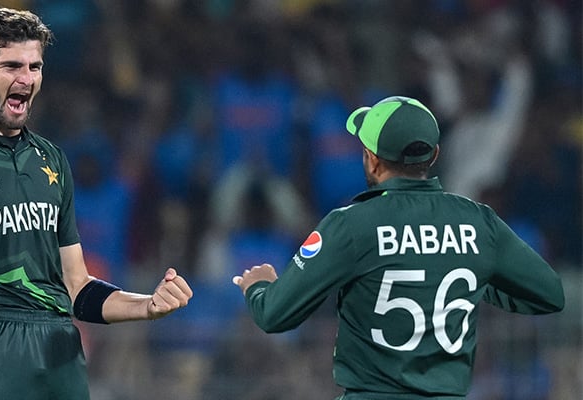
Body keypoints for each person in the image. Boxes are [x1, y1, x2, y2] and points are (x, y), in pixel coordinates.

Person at [0, 8, 193, 400]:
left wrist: (149, 306)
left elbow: (76, 286)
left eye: (34, 67)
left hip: (60, 350)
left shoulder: (51, 159)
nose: (26, 79)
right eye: (11, 66)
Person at [232, 96, 565, 399]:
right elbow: (549, 294)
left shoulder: (352, 224)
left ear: (373, 160)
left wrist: (257, 286)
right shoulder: (478, 222)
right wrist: (475, 284)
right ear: (433, 155)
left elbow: (274, 315)